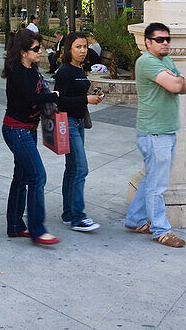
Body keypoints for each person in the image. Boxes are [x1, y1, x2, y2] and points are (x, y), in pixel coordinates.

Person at [124, 22, 186, 249]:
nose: (165, 43)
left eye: (167, 39)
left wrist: (177, 81)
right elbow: (175, 86)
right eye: (159, 39)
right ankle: (161, 230)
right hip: (154, 133)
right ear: (148, 42)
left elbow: (185, 85)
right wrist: (176, 81)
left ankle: (135, 220)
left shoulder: (165, 60)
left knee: (151, 179)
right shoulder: (147, 61)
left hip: (166, 130)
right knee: (157, 185)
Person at [2, 29, 61, 246]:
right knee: (37, 176)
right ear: (23, 52)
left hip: (29, 128)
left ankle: (16, 225)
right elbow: (32, 98)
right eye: (36, 49)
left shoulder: (32, 68)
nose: (40, 52)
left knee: (22, 176)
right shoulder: (16, 70)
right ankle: (37, 229)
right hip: (16, 130)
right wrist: (52, 95)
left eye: (40, 47)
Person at [53, 32, 105, 233]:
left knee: (72, 168)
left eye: (84, 46)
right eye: (78, 47)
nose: (83, 51)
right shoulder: (65, 71)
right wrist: (86, 100)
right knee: (80, 168)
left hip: (78, 122)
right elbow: (58, 100)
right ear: (69, 49)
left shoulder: (79, 69)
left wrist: (92, 96)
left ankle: (69, 213)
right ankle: (78, 218)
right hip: (67, 124)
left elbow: (77, 95)